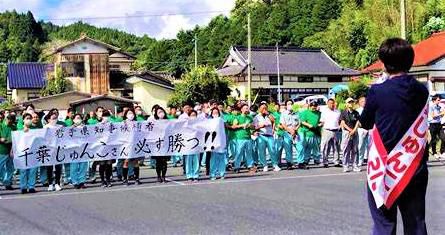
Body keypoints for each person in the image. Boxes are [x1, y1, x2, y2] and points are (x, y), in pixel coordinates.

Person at [360, 38, 428, 235]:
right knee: (415, 223)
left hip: (384, 168)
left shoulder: (378, 91)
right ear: (411, 61)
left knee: (384, 224)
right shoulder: (422, 90)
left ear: (383, 62)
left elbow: (366, 123)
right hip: (414, 166)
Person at [44, 108, 67, 191]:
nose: (54, 120)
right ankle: (50, 184)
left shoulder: (60, 127)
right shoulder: (45, 127)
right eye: (52, 118)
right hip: (49, 150)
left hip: (58, 149)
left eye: (55, 118)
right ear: (49, 119)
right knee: (49, 167)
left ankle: (57, 183)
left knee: (58, 167)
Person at [17, 113, 41, 194]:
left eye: (30, 118)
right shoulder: (19, 128)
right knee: (23, 170)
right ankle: (23, 187)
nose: (29, 120)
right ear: (23, 120)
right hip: (22, 152)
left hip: (33, 151)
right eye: (27, 118)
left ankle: (31, 186)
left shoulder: (35, 128)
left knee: (33, 170)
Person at [254, 103, 280, 172]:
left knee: (272, 150)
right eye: (262, 108)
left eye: (265, 108)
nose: (264, 109)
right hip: (261, 135)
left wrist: (273, 129)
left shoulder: (269, 115)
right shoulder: (256, 117)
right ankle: (264, 165)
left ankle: (275, 165)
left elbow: (274, 121)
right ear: (259, 109)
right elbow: (255, 127)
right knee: (262, 151)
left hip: (270, 135)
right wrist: (261, 126)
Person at [296, 101, 322, 169]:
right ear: (310, 106)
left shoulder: (318, 113)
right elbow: (302, 121)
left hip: (315, 132)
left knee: (315, 147)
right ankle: (305, 161)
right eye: (312, 106)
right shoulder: (305, 112)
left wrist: (320, 124)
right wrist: (309, 125)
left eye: (315, 106)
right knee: (306, 148)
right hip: (306, 132)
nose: (314, 108)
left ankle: (316, 160)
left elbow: (320, 120)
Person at [232, 103, 256, 173]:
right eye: (245, 108)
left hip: (248, 137)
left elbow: (253, 127)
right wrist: (242, 125)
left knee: (249, 152)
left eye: (247, 108)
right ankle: (237, 166)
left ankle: (250, 166)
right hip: (240, 138)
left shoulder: (250, 117)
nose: (247, 109)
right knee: (239, 152)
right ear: (241, 109)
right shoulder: (238, 117)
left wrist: (250, 125)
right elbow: (234, 126)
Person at [340, 98, 360, 173]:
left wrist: (354, 130)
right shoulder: (343, 112)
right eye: (349, 102)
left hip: (355, 132)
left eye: (352, 102)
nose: (351, 103)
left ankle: (355, 165)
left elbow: (358, 122)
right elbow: (343, 123)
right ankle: (346, 165)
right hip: (346, 133)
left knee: (355, 149)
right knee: (346, 149)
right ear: (346, 104)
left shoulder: (356, 112)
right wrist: (350, 130)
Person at [276, 100, 298, 170]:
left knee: (297, 147)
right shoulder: (283, 114)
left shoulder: (296, 113)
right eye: (288, 104)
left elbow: (299, 122)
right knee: (287, 148)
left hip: (295, 132)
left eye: (291, 104)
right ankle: (286, 163)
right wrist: (290, 131)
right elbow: (283, 124)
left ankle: (296, 162)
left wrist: (295, 129)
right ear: (286, 106)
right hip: (286, 132)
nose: (290, 105)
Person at [152, 106, 171, 183]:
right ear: (156, 114)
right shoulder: (154, 122)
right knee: (158, 162)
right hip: (157, 144)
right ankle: (158, 176)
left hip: (166, 144)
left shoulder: (168, 122)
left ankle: (163, 176)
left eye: (162, 111)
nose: (161, 113)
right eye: (159, 112)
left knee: (164, 161)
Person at [320, 98, 341, 168]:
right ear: (327, 104)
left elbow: (340, 121)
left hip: (336, 131)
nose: (331, 104)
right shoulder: (324, 112)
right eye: (330, 103)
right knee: (326, 147)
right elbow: (322, 121)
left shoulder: (338, 112)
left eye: (333, 103)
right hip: (327, 130)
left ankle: (336, 161)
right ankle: (325, 162)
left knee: (336, 147)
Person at [69, 114, 88, 189]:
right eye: (77, 118)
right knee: (74, 166)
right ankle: (75, 182)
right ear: (73, 120)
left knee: (83, 166)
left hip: (83, 149)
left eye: (79, 118)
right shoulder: (70, 129)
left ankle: (82, 181)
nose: (78, 119)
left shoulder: (85, 127)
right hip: (74, 150)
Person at [209, 108, 226, 180]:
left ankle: (222, 173)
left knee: (222, 159)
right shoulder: (209, 121)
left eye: (217, 112)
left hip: (221, 141)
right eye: (214, 113)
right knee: (214, 159)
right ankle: (213, 174)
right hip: (213, 142)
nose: (215, 114)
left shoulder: (221, 120)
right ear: (212, 114)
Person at [98, 110, 114, 188]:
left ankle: (108, 180)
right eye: (104, 115)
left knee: (109, 164)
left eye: (107, 116)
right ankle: (102, 180)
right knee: (102, 164)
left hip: (109, 146)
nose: (106, 117)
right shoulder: (98, 125)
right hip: (101, 147)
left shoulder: (112, 124)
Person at [0, 114, 16, 191]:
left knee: (10, 168)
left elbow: (15, 139)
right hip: (2, 150)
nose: (9, 121)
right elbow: (1, 139)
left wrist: (12, 149)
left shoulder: (14, 127)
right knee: (0, 168)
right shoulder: (1, 126)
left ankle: (8, 183)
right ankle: (4, 180)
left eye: (11, 120)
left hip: (11, 150)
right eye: (8, 119)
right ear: (6, 118)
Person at [185, 110, 200, 181]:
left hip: (197, 144)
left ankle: (196, 175)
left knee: (196, 160)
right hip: (188, 144)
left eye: (195, 115)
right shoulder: (186, 124)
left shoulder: (199, 124)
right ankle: (189, 175)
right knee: (188, 160)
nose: (193, 116)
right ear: (189, 116)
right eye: (192, 115)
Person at [428, 95, 445, 160]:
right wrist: (441, 113)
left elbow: (441, 115)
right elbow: (433, 116)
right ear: (434, 101)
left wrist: (442, 113)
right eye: (438, 100)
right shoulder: (431, 107)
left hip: (439, 124)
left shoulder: (439, 106)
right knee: (434, 139)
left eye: (439, 100)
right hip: (433, 124)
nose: (439, 101)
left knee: (443, 138)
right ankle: (434, 152)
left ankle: (442, 152)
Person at [356, 97, 369, 166]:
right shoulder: (357, 111)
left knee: (369, 145)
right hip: (361, 129)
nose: (364, 102)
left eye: (365, 101)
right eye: (362, 101)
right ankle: (360, 160)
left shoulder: (369, 110)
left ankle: (368, 159)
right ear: (359, 102)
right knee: (360, 145)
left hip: (369, 129)